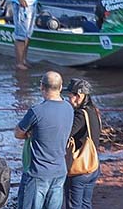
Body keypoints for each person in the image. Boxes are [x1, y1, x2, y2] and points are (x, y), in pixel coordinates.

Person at [15, 71, 74, 209]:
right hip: (59, 169)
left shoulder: (37, 111)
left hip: (38, 171)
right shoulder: (69, 108)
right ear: (60, 87)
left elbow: (18, 133)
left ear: (42, 86)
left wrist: (29, 134)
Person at [63, 78, 102, 209]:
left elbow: (66, 134)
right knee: (86, 204)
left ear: (79, 96)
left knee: (73, 205)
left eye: (70, 97)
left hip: (79, 168)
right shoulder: (94, 111)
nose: (69, 100)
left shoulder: (80, 114)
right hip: (93, 165)